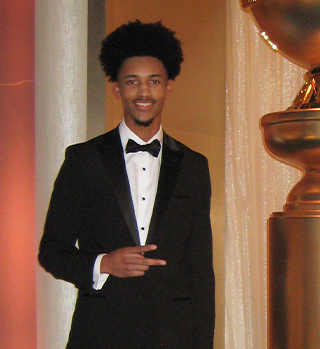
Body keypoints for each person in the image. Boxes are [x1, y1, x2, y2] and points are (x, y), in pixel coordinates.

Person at [38, 20, 215, 348]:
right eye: (133, 82)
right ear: (118, 89)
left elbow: (201, 273)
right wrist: (103, 263)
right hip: (100, 333)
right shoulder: (83, 160)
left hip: (172, 338)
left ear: (168, 87)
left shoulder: (194, 166)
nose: (144, 92)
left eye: (154, 81)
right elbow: (52, 251)